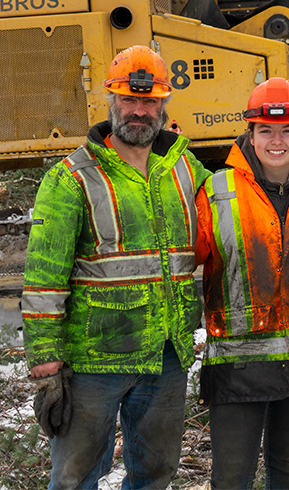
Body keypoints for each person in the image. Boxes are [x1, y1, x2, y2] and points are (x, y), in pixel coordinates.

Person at [21, 45, 212, 490]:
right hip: (95, 362)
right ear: (111, 101)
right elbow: (43, 278)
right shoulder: (72, 178)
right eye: (129, 99)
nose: (139, 111)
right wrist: (45, 362)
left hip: (165, 355)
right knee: (74, 478)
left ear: (163, 106)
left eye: (149, 102)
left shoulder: (184, 167)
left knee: (156, 474)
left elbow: (235, 205)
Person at [194, 77, 289, 490]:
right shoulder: (217, 191)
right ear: (251, 134)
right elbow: (188, 265)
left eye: (287, 131)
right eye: (266, 131)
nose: (276, 140)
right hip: (239, 367)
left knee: (287, 469)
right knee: (232, 478)